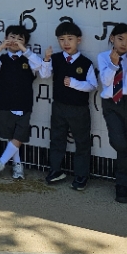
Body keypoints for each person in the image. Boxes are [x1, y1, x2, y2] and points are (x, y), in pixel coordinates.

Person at [0, 23, 51, 180]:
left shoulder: (28, 59)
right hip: (6, 102)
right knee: (11, 135)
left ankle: (1, 162)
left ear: (25, 43)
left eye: (20, 39)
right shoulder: (1, 59)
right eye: (12, 37)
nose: (15, 41)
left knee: (19, 136)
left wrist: (25, 50)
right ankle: (17, 165)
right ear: (5, 38)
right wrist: (1, 47)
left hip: (24, 103)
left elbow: (39, 66)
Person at [46, 16, 96, 191]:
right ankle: (55, 170)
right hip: (59, 106)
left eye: (70, 39)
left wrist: (74, 83)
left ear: (78, 40)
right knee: (57, 139)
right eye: (62, 39)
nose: (66, 43)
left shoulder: (86, 63)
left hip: (79, 109)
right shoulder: (56, 58)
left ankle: (81, 175)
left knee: (82, 142)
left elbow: (92, 85)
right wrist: (46, 59)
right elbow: (45, 74)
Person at [97, 23, 127, 203]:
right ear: (112, 38)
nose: (124, 44)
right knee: (120, 142)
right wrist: (114, 64)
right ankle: (120, 178)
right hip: (111, 103)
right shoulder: (103, 56)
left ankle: (121, 186)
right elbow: (106, 81)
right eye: (120, 39)